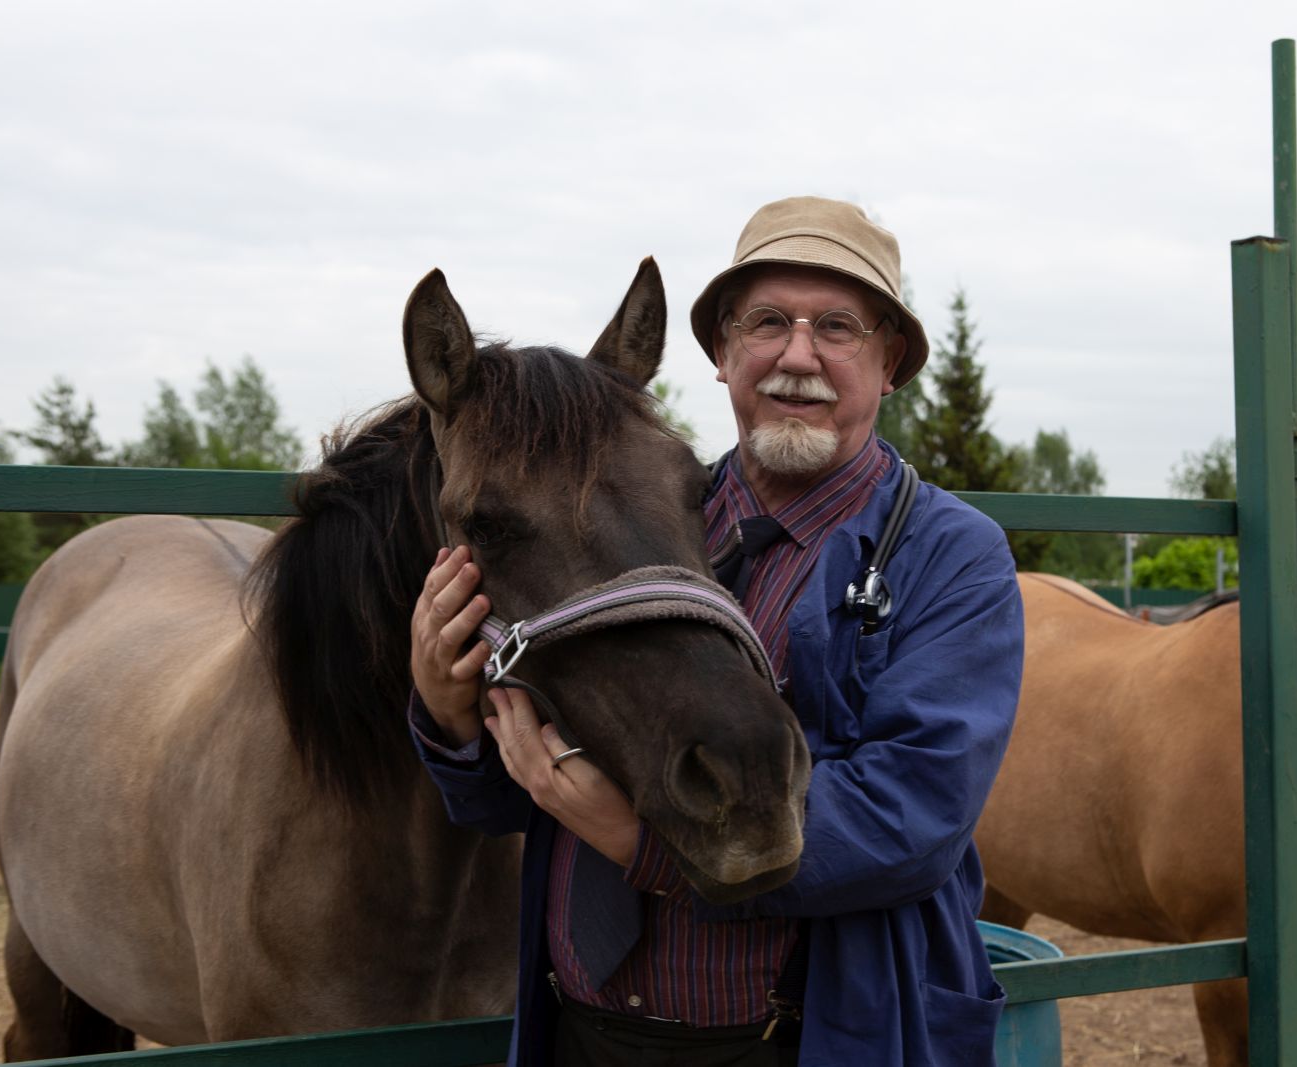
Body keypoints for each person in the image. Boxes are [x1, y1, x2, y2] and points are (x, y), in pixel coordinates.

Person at [409, 196, 1025, 1065]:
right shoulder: (626, 528)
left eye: (839, 328)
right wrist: (451, 714)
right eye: (767, 322)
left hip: (806, 1040)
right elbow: (522, 794)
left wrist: (641, 842)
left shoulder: (952, 556)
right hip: (581, 1032)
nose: (798, 355)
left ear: (890, 364)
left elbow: (911, 817)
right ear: (721, 352)